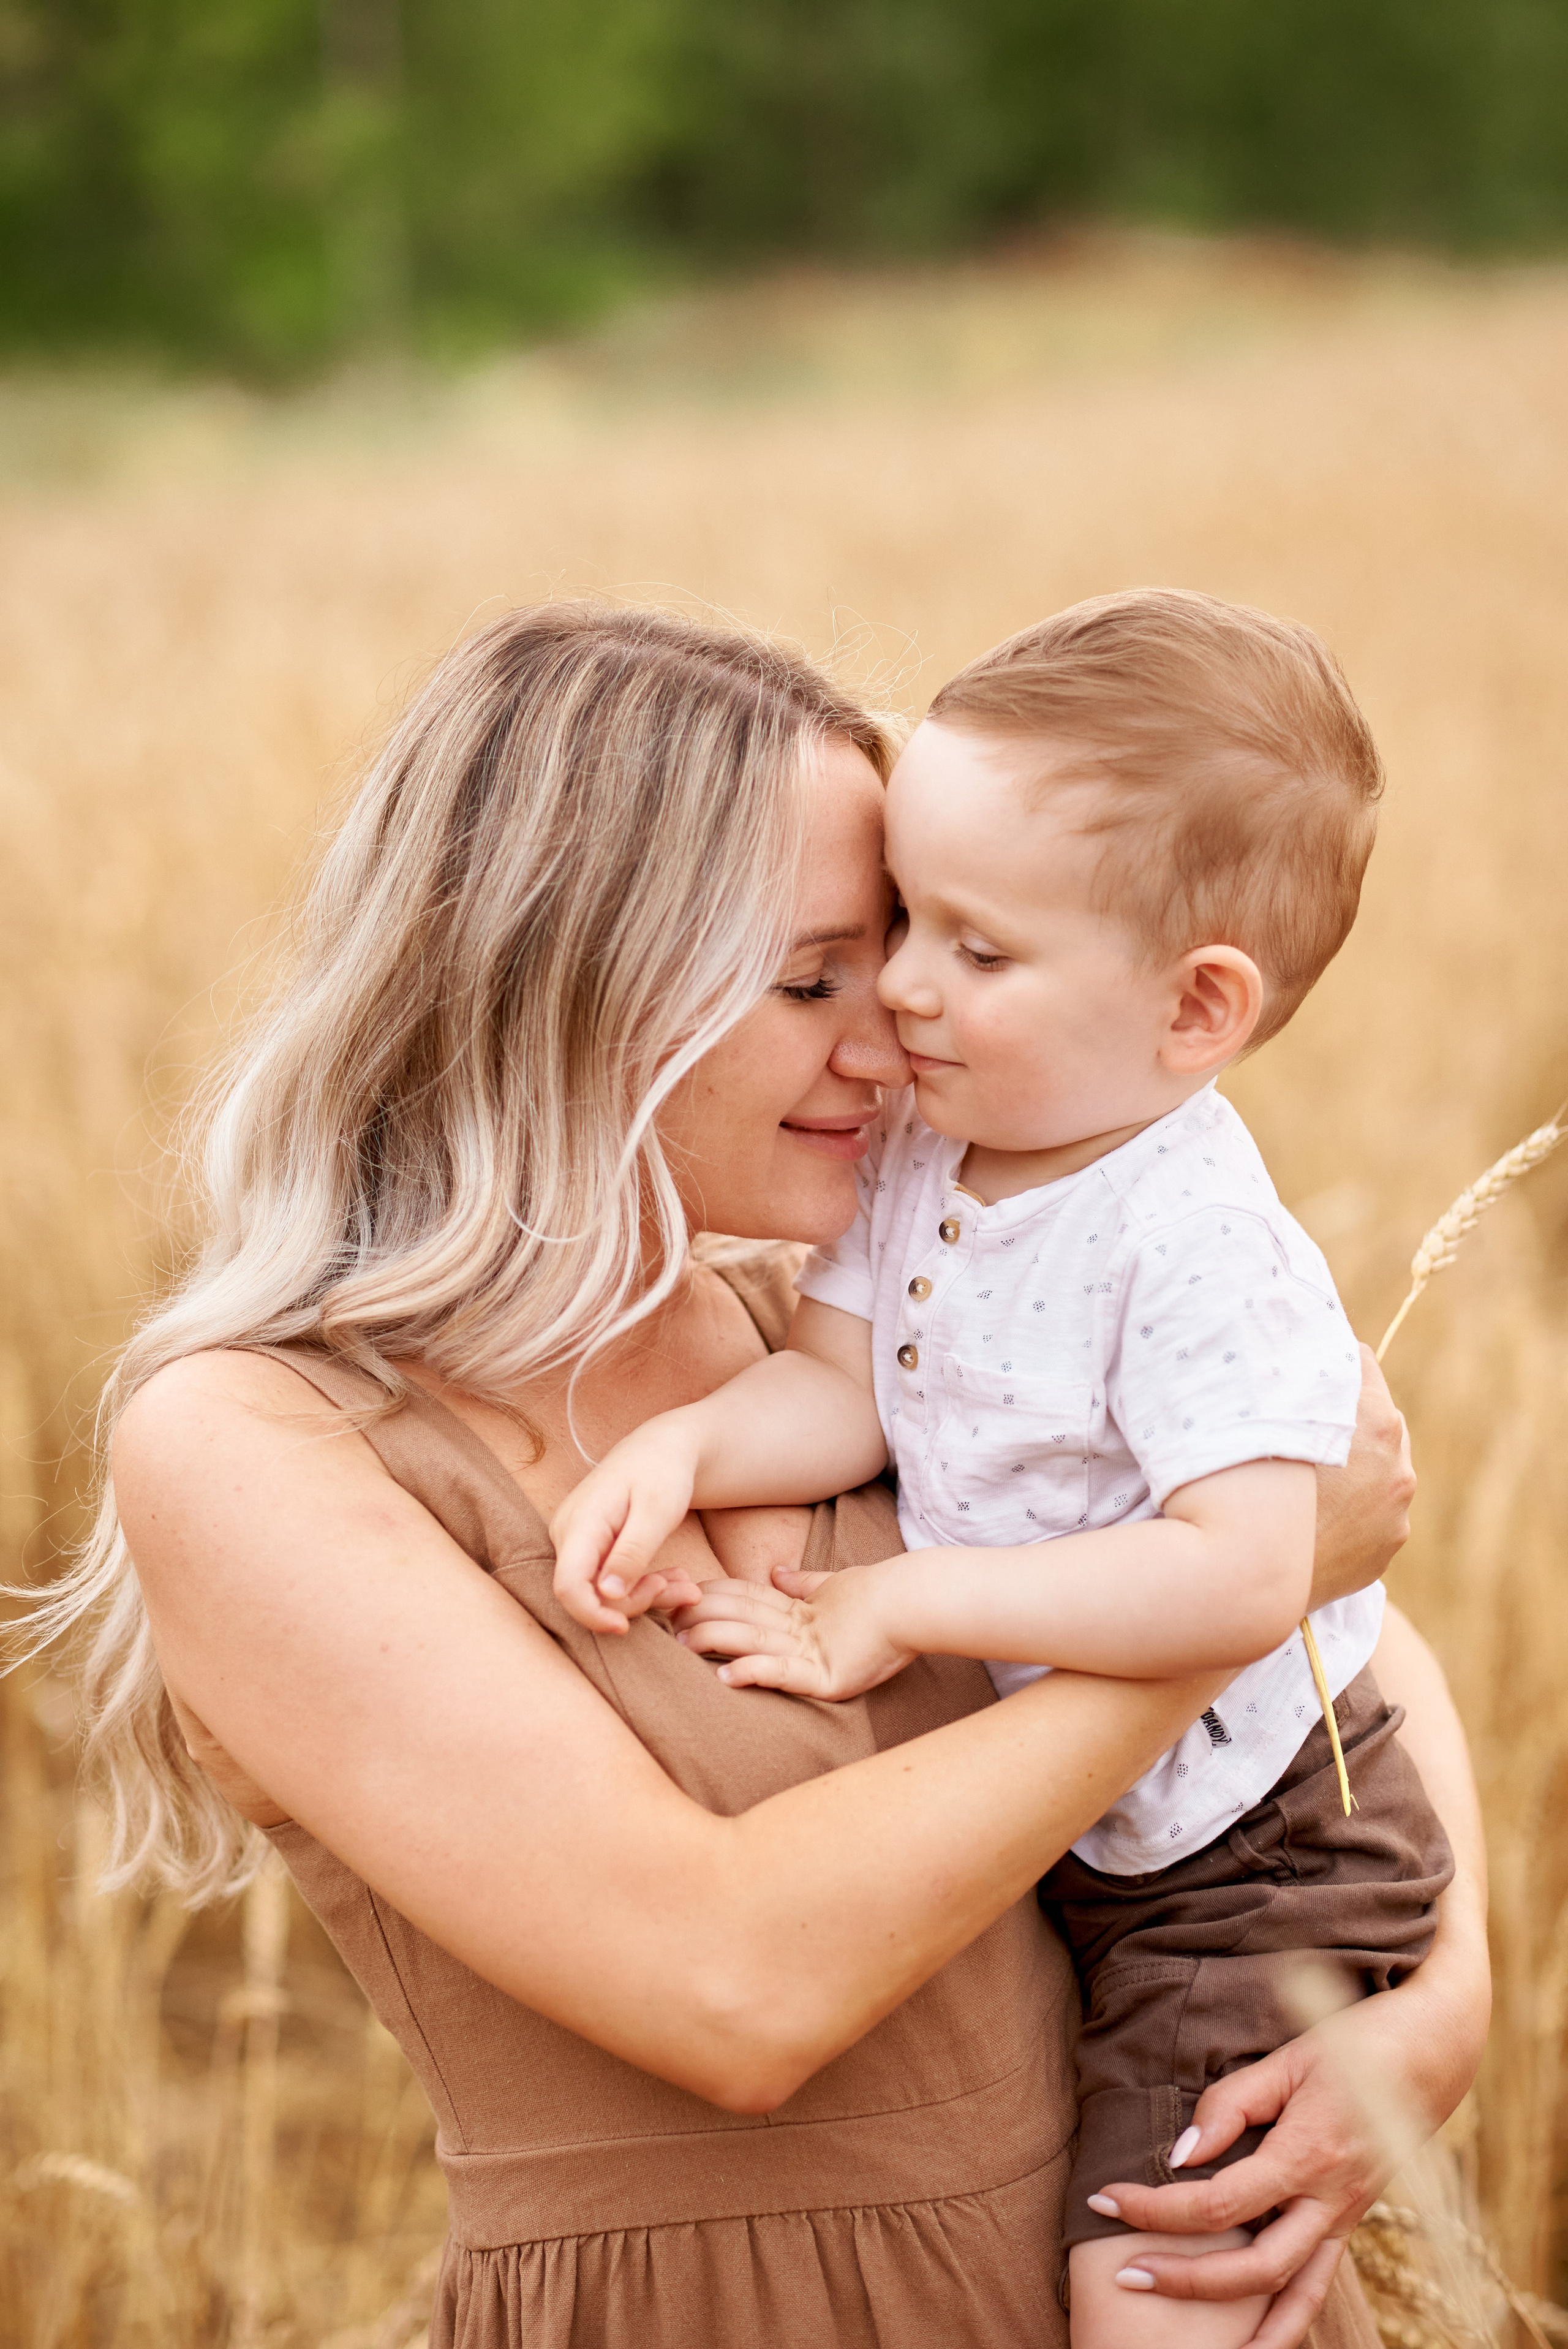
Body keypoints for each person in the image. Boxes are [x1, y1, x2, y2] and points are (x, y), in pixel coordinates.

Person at [47, 602, 1487, 2349]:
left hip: (1155, 2260)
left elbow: (1354, 1636)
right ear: (558, 981)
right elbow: (734, 1986)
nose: (898, 1034)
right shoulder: (255, 1440)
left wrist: (1439, 2000)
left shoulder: (834, 1315)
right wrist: (1223, 1601)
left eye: (920, 950)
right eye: (816, 980)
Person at [549, 591, 1459, 2349]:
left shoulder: (1195, 1244)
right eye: (900, 924)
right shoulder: (932, 1148)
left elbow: (1249, 1572)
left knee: (1155, 2283)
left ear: (1196, 1007)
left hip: (1245, 1856)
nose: (900, 991)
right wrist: (685, 1444)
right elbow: (845, 1389)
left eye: (975, 949)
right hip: (1092, 1836)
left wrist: (903, 1603)